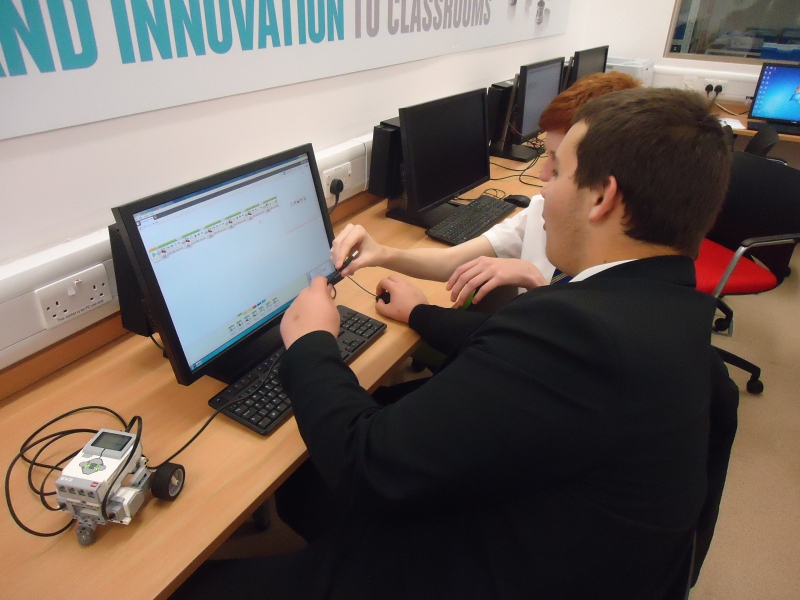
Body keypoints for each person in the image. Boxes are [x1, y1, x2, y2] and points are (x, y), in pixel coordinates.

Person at [172, 88, 734, 599]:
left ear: (603, 197)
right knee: (310, 482)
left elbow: (366, 464)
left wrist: (312, 341)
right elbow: (520, 362)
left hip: (472, 566)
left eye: (558, 168)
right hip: (559, 541)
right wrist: (420, 312)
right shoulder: (668, 310)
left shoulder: (580, 334)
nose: (542, 178)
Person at [331, 71, 640, 306]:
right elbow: (456, 260)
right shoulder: (540, 212)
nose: (544, 176)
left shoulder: (629, 281)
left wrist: (537, 286)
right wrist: (383, 253)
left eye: (557, 164)